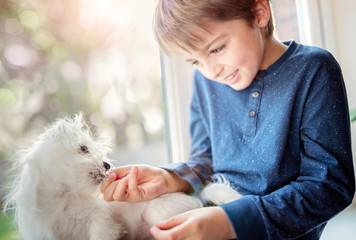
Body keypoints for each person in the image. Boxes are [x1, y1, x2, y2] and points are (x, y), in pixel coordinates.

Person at [102, 0, 356, 239]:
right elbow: (204, 163)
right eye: (195, 61)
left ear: (258, 13)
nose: (211, 71)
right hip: (208, 214)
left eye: (216, 49)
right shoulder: (205, 82)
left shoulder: (314, 69)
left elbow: (330, 187)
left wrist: (231, 221)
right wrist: (169, 178)